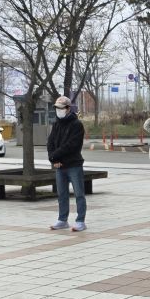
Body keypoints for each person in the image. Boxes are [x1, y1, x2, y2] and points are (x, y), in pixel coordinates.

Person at [47, 96, 87, 231]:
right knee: (62, 194)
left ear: (68, 108)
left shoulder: (77, 125)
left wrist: (55, 156)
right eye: (57, 108)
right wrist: (53, 159)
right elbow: (50, 143)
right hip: (60, 165)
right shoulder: (56, 124)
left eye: (61, 108)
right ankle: (62, 219)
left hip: (74, 165)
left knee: (79, 194)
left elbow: (72, 146)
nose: (59, 111)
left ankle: (80, 221)